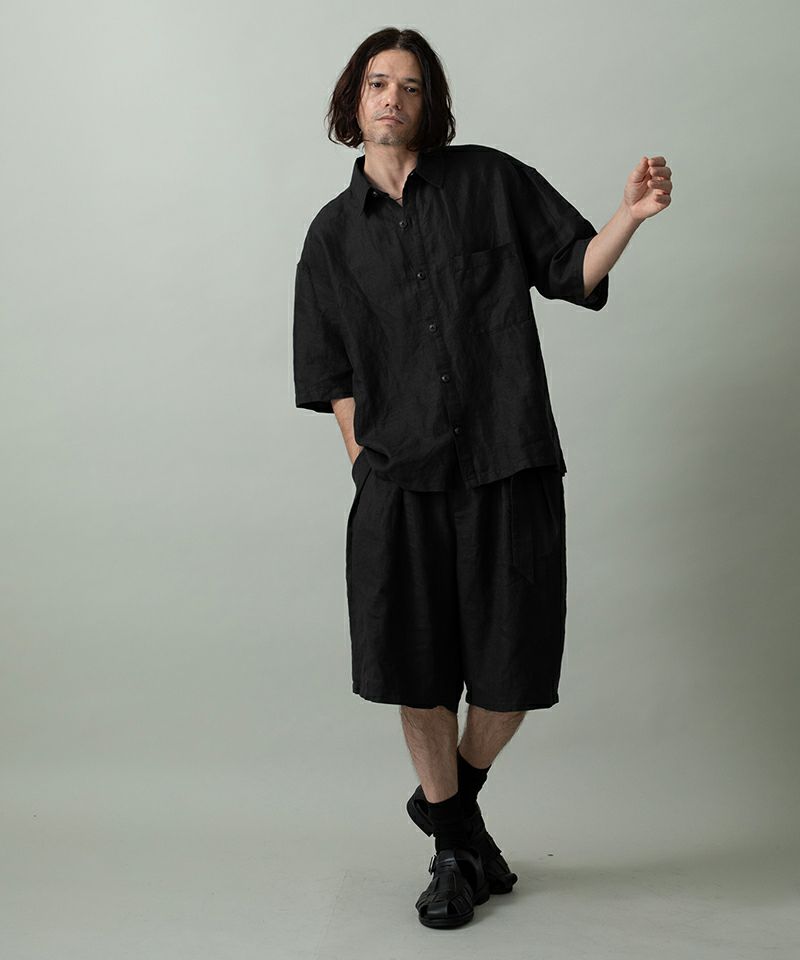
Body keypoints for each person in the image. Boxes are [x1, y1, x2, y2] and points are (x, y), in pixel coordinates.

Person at [292, 27, 672, 929]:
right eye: (377, 83)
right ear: (353, 101)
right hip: (401, 483)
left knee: (513, 670)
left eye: (410, 86)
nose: (392, 98)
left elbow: (572, 269)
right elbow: (331, 374)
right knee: (417, 673)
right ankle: (455, 854)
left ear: (430, 103)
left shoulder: (489, 181)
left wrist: (628, 218)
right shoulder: (332, 236)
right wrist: (364, 467)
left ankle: (449, 809)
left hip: (509, 460)